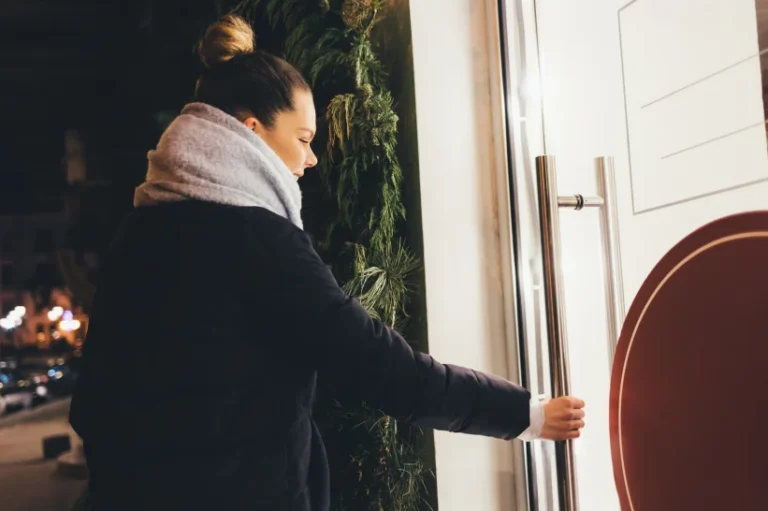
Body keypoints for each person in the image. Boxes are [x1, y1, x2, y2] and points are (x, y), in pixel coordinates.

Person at [69, 14, 586, 511]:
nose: (310, 159)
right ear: (252, 132)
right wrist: (525, 414)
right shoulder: (255, 239)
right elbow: (382, 367)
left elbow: (94, 395)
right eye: (303, 139)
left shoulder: (143, 227)